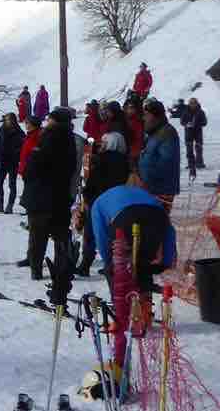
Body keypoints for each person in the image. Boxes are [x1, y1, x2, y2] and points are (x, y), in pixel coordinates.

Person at [90, 179, 176, 368]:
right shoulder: (145, 196)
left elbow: (101, 235)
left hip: (124, 219)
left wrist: (110, 264)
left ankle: (123, 315)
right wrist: (167, 260)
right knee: (143, 263)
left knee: (120, 271)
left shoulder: (98, 203)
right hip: (156, 218)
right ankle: (143, 313)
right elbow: (170, 230)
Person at [19, 109, 78, 281]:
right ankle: (61, 267)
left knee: (38, 236)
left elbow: (33, 166)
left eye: (49, 119)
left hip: (41, 195)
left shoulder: (48, 138)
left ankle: (36, 269)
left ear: (54, 121)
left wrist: (30, 170)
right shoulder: (71, 139)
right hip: (60, 194)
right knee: (60, 234)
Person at [74, 130, 131, 277]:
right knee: (112, 234)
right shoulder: (125, 161)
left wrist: (86, 196)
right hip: (117, 201)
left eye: (105, 142)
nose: (102, 145)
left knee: (91, 233)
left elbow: (94, 180)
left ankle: (85, 264)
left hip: (98, 199)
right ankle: (111, 264)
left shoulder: (101, 159)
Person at [138, 99, 181, 213]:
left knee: (156, 224)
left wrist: (147, 177)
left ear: (156, 116)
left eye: (147, 115)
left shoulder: (166, 133)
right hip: (149, 187)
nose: (144, 118)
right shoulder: (153, 133)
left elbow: (167, 163)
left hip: (160, 189)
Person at [0, 114, 25, 212]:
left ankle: (10, 205)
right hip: (2, 161)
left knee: (12, 184)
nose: (7, 122)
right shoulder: (2, 130)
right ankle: (0, 203)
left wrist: (15, 153)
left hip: (12, 161)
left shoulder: (19, 132)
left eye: (8, 120)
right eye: (6, 120)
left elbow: (22, 147)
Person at [181, 97, 207, 177]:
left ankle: (199, 163)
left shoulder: (201, 112)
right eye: (191, 103)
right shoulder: (185, 111)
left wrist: (197, 124)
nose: (192, 104)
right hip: (188, 132)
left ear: (196, 103)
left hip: (198, 132)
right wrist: (187, 124)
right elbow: (182, 121)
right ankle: (191, 164)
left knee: (198, 148)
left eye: (194, 103)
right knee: (189, 148)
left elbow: (205, 122)